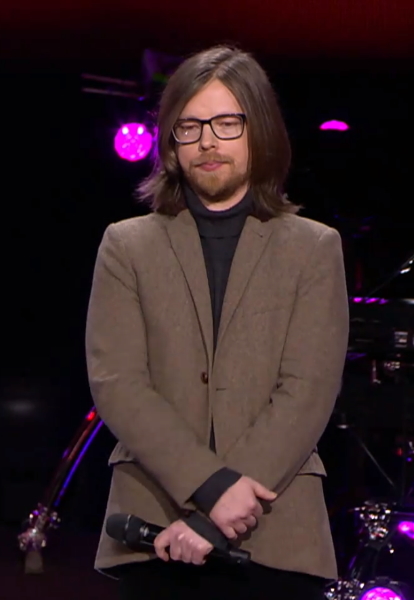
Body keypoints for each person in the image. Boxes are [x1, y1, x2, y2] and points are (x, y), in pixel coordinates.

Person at [85, 45, 349, 600]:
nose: (208, 141)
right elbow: (118, 382)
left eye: (227, 123)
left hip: (277, 529)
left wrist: (218, 514)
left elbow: (307, 389)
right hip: (153, 524)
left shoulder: (314, 248)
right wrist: (208, 485)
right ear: (171, 142)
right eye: (190, 126)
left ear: (261, 131)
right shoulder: (126, 245)